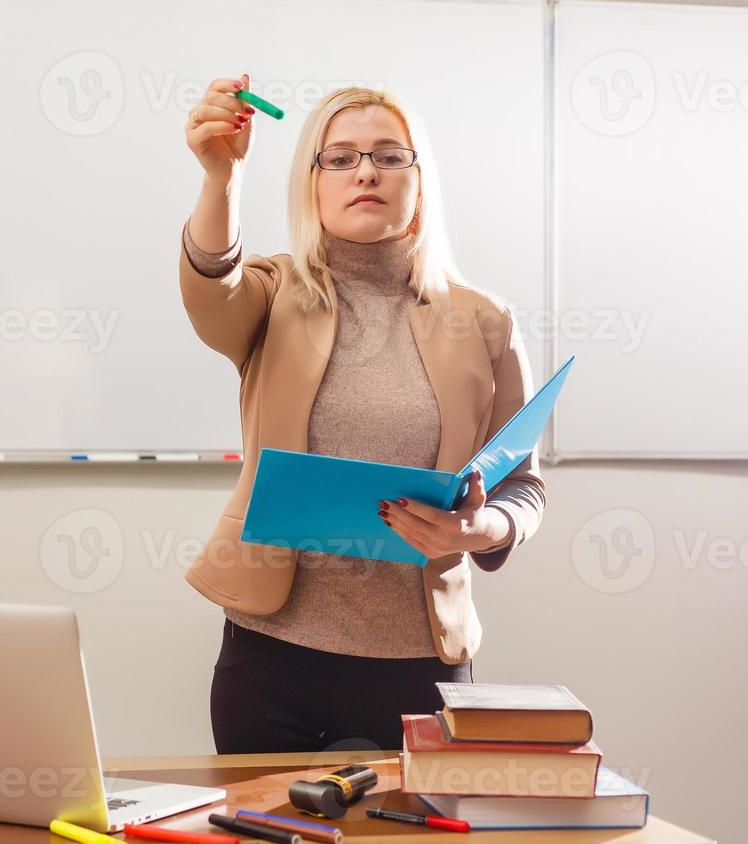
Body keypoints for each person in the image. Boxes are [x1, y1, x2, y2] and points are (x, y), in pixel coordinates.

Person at [179, 75, 545, 754]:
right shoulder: (272, 292)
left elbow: (522, 487)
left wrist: (480, 526)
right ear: (311, 181)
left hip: (421, 667)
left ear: (419, 179)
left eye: (388, 155)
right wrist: (221, 178)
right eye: (339, 157)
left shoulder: (485, 320)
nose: (364, 172)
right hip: (270, 656)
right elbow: (211, 285)